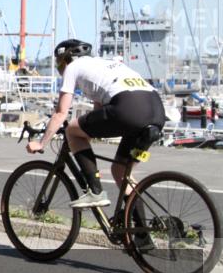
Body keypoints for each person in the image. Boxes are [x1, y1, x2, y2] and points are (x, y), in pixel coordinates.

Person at [26, 39, 165, 208]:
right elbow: (97, 116)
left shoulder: (73, 67)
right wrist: (83, 139)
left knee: (71, 130)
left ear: (67, 59)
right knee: (121, 173)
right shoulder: (105, 65)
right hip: (157, 111)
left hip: (128, 108)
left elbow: (61, 113)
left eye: (60, 63)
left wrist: (41, 143)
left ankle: (95, 192)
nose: (60, 68)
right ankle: (139, 233)